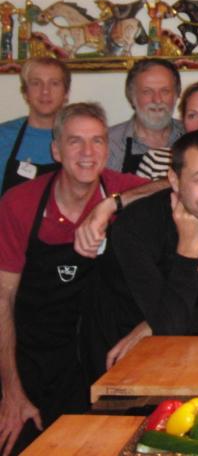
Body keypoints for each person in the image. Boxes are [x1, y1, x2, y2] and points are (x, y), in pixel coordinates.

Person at [0, 103, 147, 453]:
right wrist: (12, 391)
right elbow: (3, 298)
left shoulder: (119, 188)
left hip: (101, 364)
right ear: (56, 150)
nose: (87, 152)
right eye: (75, 141)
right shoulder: (20, 203)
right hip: (32, 363)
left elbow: (174, 186)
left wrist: (111, 205)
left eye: (97, 141)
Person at [82, 130, 198, 380]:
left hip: (191, 344)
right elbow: (170, 326)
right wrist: (189, 246)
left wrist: (153, 325)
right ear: (174, 179)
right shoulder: (134, 226)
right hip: (121, 348)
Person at [0, 57, 70, 195]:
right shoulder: (3, 136)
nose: (45, 91)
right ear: (25, 92)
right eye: (36, 83)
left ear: (66, 93)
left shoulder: (79, 137)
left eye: (54, 83)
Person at [107, 58, 184, 173]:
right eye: (147, 92)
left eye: (165, 91)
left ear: (176, 94)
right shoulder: (109, 143)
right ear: (131, 96)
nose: (157, 100)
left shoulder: (190, 136)